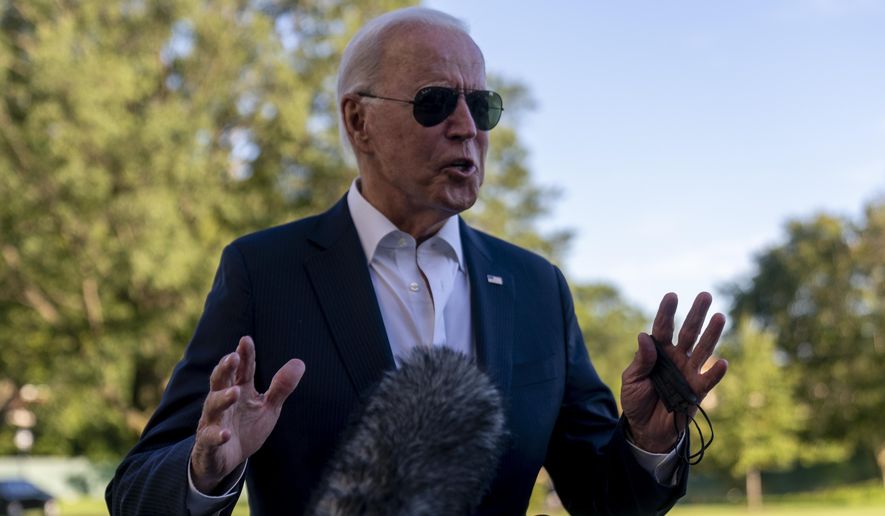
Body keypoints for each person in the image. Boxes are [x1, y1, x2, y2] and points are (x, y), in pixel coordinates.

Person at [106, 7, 728, 516]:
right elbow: (136, 490)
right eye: (435, 102)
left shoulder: (538, 287)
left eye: (481, 106)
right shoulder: (265, 273)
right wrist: (206, 470)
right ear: (359, 121)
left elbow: (605, 497)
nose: (466, 127)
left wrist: (649, 441)